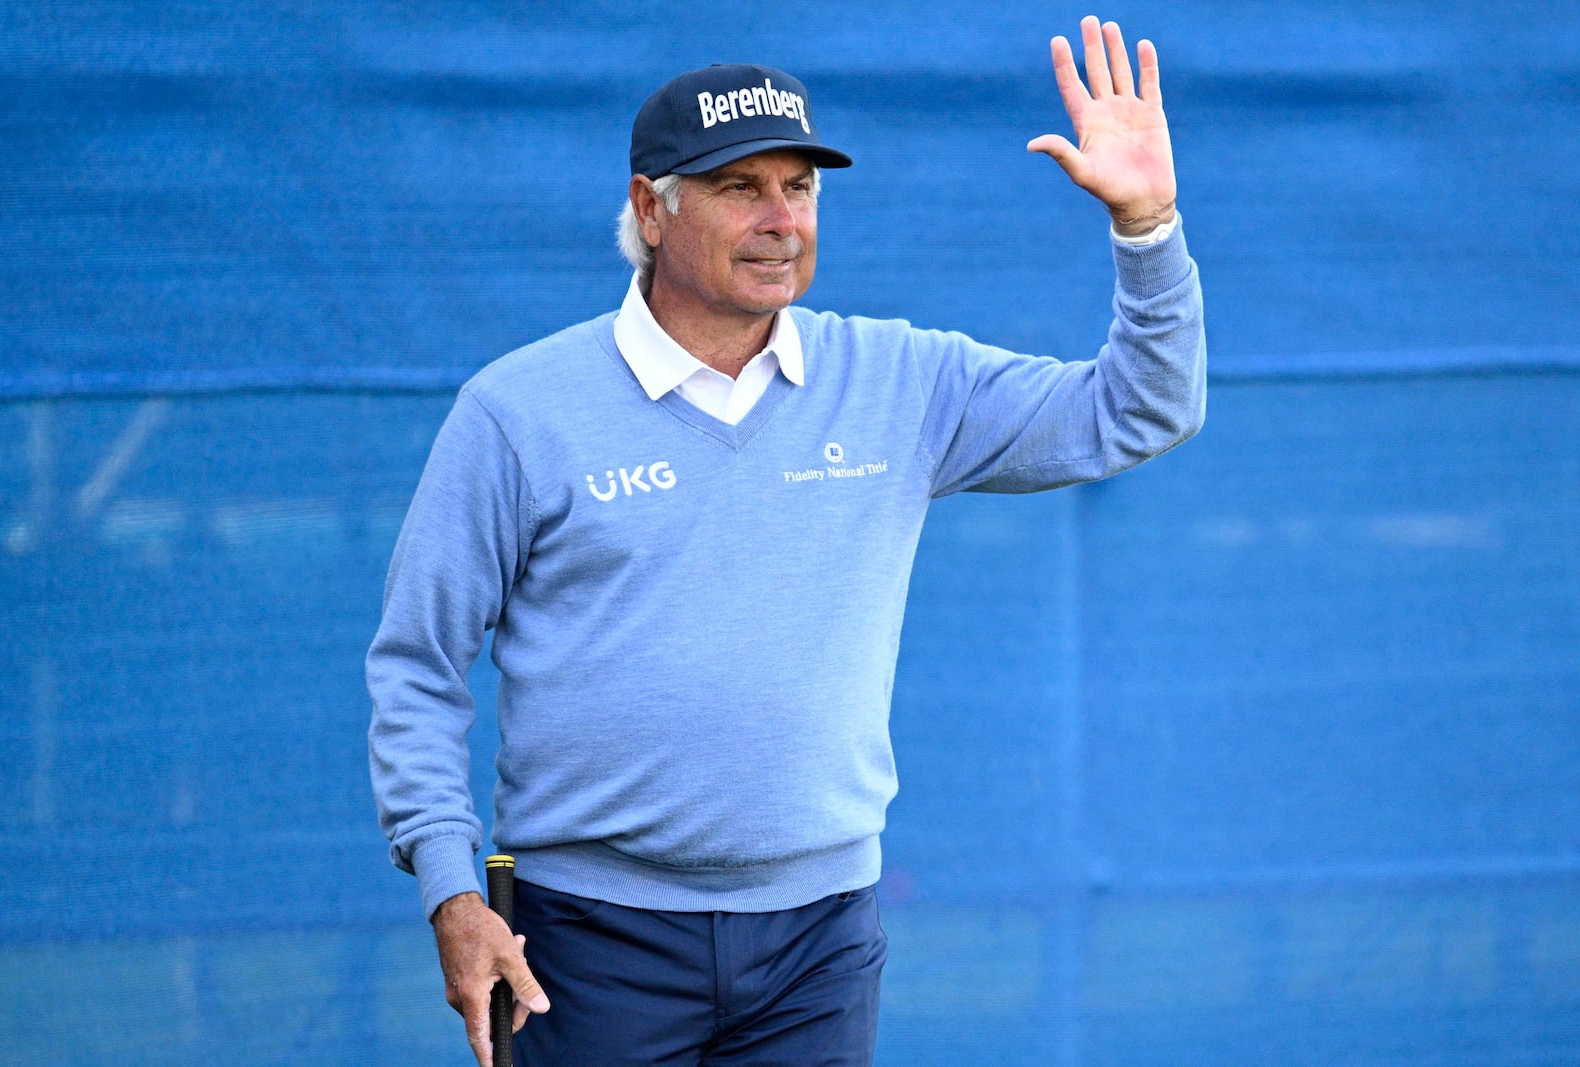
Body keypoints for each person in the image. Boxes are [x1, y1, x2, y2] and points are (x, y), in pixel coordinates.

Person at [368, 15, 1204, 1067]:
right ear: (650, 209)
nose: (779, 219)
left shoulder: (900, 378)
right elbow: (417, 667)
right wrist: (451, 887)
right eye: (738, 188)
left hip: (820, 937)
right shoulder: (517, 410)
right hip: (585, 937)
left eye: (798, 188)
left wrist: (1148, 227)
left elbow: (1138, 410)